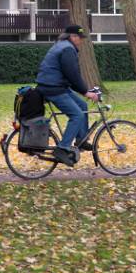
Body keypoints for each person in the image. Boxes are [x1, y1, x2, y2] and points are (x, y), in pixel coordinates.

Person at [36, 24, 100, 166]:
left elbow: (71, 76)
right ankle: (62, 148)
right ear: (72, 36)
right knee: (77, 115)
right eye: (79, 37)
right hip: (53, 88)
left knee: (82, 105)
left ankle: (81, 139)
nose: (81, 41)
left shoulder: (62, 45)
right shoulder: (67, 49)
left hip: (56, 85)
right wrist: (86, 92)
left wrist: (85, 90)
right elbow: (72, 75)